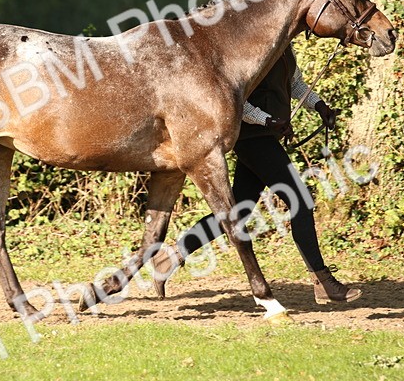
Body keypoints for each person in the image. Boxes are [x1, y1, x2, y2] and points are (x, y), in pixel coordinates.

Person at [149, 43, 362, 304]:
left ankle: (170, 257)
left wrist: (320, 106)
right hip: (252, 137)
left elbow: (295, 85)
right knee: (300, 201)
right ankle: (323, 282)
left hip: (266, 136)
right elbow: (237, 99)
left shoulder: (285, 47)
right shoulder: (250, 48)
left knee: (237, 210)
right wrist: (268, 121)